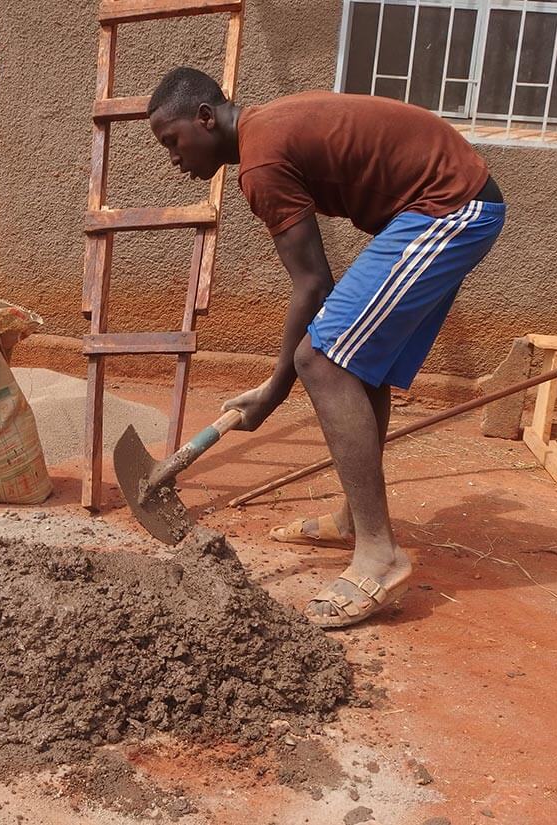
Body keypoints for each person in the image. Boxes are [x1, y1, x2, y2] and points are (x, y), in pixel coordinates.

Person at [147, 67, 506, 628]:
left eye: (172, 141)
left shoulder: (260, 162)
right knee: (361, 366)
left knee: (319, 358)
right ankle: (352, 520)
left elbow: (314, 283)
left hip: (450, 209)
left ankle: (379, 555)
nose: (172, 157)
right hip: (443, 203)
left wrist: (276, 387)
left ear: (205, 118)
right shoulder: (264, 134)